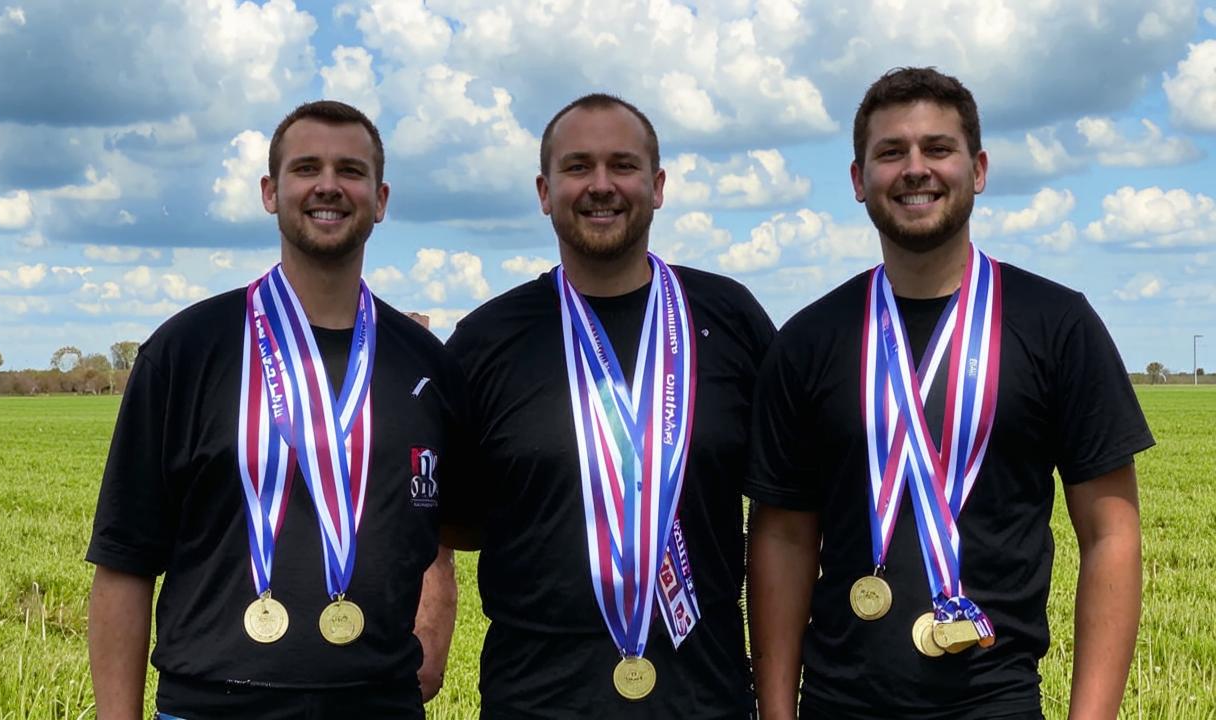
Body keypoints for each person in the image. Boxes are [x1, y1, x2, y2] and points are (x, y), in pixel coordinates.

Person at [745, 67, 1154, 719]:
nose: (915, 169)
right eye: (890, 152)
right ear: (857, 180)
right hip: (839, 702)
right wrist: (775, 712)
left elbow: (1110, 532)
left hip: (996, 700)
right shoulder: (808, 341)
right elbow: (784, 539)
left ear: (979, 168)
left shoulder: (1058, 326)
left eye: (938, 148)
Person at [86, 100, 468, 720]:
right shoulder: (185, 351)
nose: (328, 186)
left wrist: (430, 644)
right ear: (270, 191)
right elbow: (124, 563)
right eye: (305, 168)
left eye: (350, 170)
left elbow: (443, 534)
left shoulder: (427, 364)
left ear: (381, 197)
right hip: (211, 707)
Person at [446, 93, 774, 719]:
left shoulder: (730, 319)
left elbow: (787, 507)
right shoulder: (486, 342)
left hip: (706, 700)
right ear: (545, 191)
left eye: (622, 165)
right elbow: (453, 521)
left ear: (657, 185)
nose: (601, 185)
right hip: (536, 702)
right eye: (577, 167)